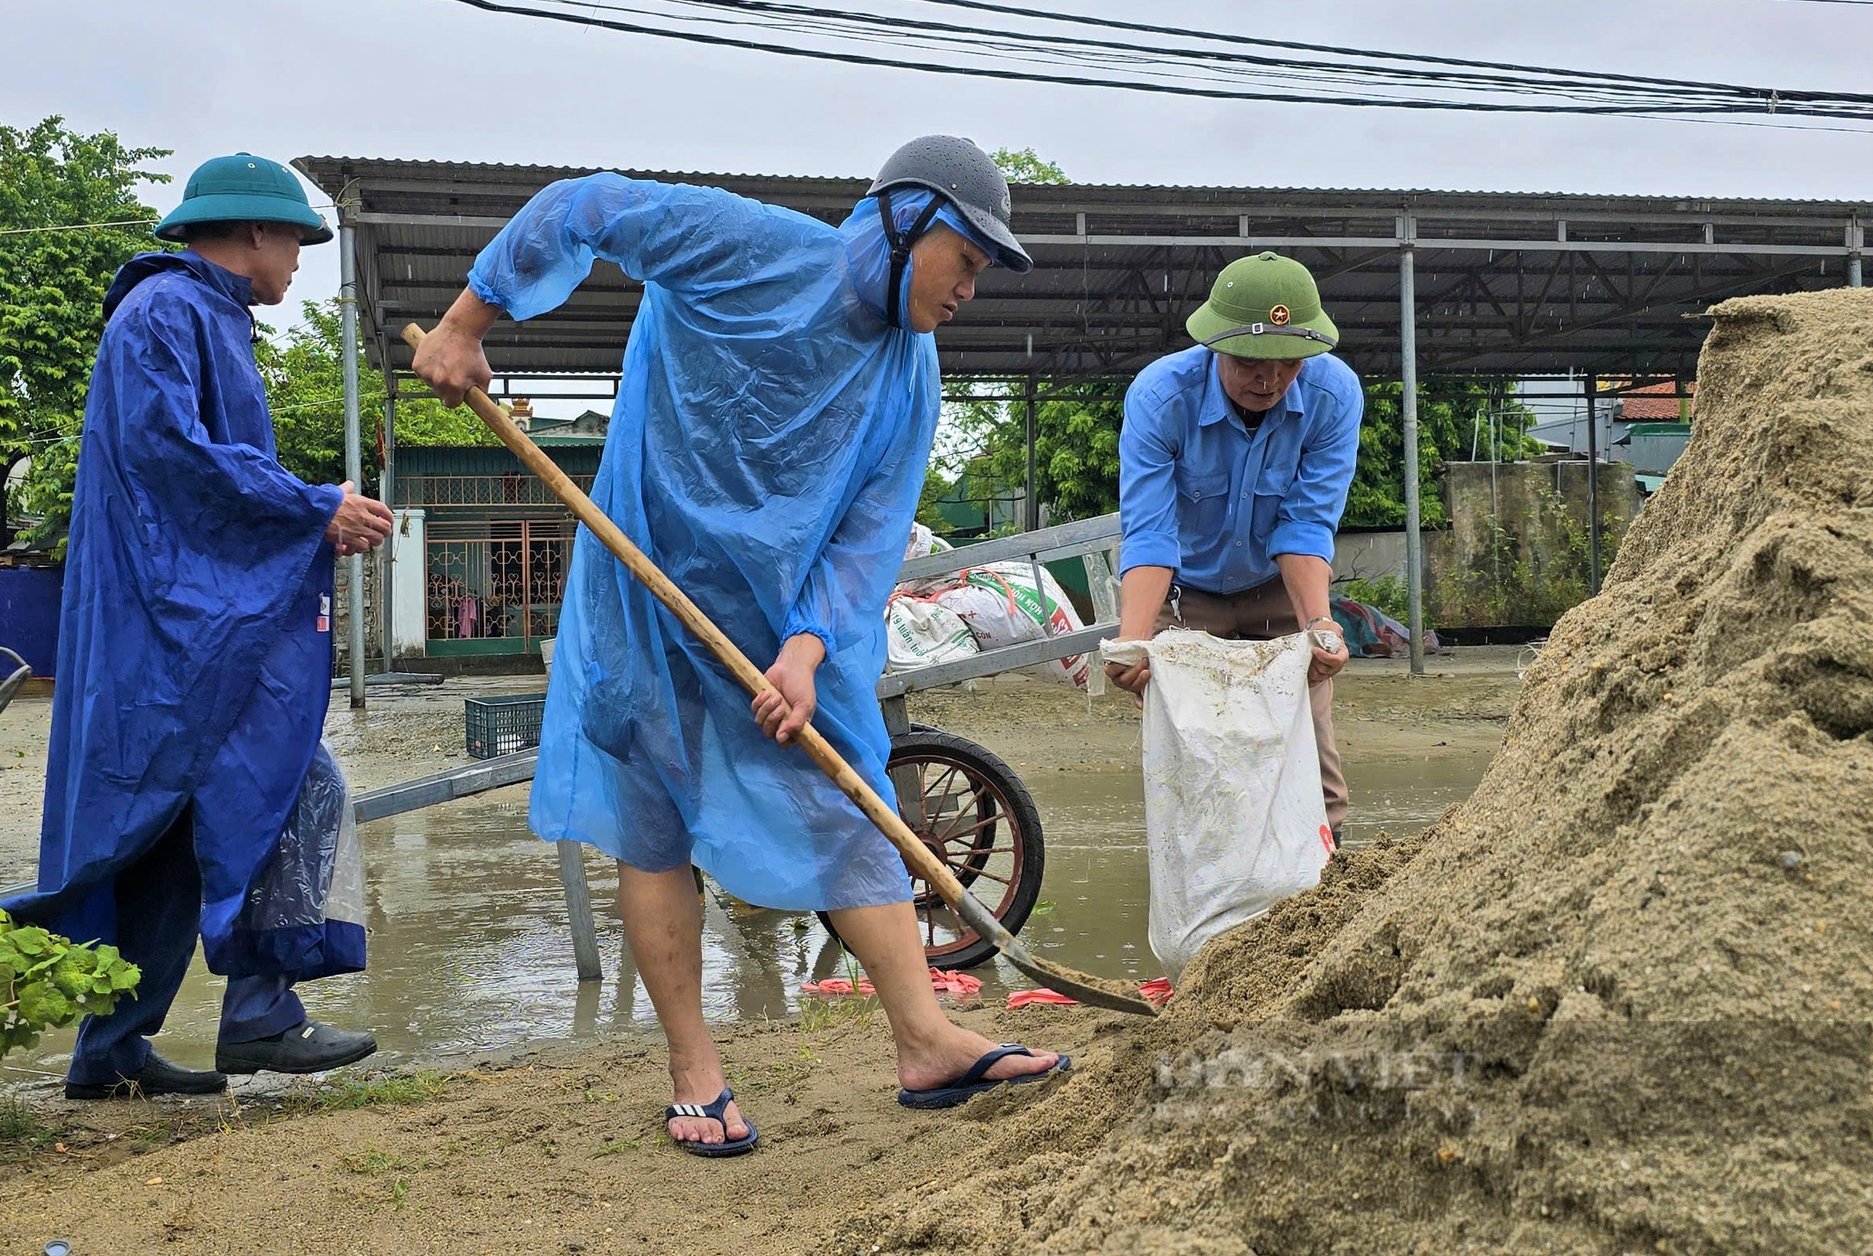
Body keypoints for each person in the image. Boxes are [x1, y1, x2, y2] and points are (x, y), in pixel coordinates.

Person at [412, 136, 1068, 1156]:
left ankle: (925, 1038)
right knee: (653, 817)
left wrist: (807, 647)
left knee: (853, 799)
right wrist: (466, 321)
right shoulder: (747, 247)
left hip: (783, 621)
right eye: (968, 259)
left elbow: (869, 528)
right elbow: (586, 205)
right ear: (904, 221)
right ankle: (694, 1071)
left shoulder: (909, 368)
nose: (970, 289)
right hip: (646, 589)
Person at [5, 154, 395, 1100]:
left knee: (170, 837)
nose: (300, 262)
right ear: (255, 233)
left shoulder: (202, 317)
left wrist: (302, 515)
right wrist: (312, 509)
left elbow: (201, 472)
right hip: (172, 633)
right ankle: (260, 1017)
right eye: (297, 241)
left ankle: (111, 1051)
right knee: (291, 782)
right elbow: (175, 459)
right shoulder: (167, 313)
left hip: (180, 622)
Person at [1104, 251, 1361, 840]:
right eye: (1249, 362)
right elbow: (1150, 531)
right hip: (1189, 599)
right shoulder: (1160, 397)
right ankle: (1217, 922)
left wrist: (1319, 626)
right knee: (1199, 766)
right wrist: (1134, 641)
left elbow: (1306, 523)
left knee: (1312, 768)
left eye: (1288, 364)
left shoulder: (1333, 394)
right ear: (1215, 344)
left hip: (1280, 596)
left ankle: (1323, 904)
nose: (1268, 381)